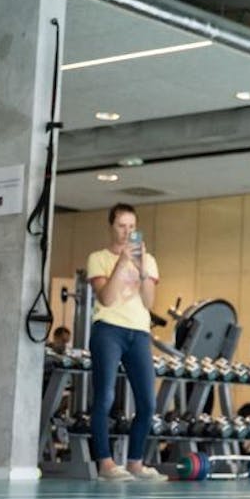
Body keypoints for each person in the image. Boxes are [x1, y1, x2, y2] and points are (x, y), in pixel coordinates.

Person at [86, 203, 167, 482]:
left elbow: (148, 302)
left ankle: (135, 462)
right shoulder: (98, 258)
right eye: (122, 225)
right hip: (108, 329)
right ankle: (106, 464)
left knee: (147, 402)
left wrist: (142, 270)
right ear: (112, 226)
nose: (127, 232)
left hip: (139, 332)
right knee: (105, 397)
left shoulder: (149, 260)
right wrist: (121, 264)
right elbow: (106, 298)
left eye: (132, 227)